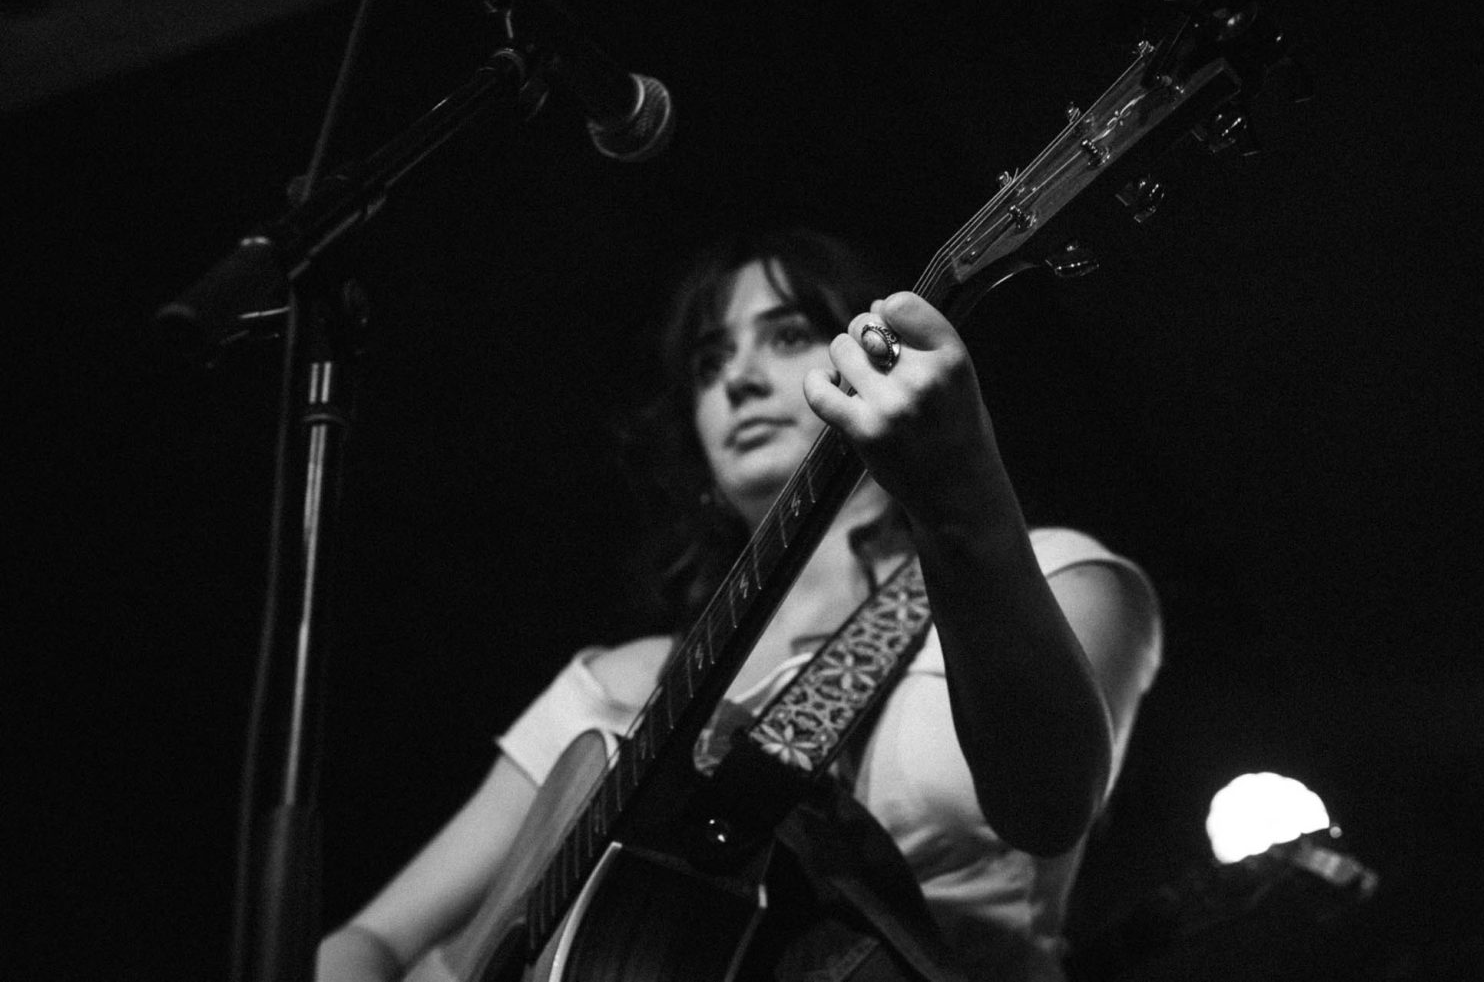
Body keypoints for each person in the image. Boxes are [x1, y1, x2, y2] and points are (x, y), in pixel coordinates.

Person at [316, 228, 1162, 981]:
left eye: (788, 334)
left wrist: (961, 495)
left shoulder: (1052, 573)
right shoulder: (620, 685)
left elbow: (1046, 808)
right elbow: (365, 945)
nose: (740, 380)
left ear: (877, 356)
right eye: (710, 362)